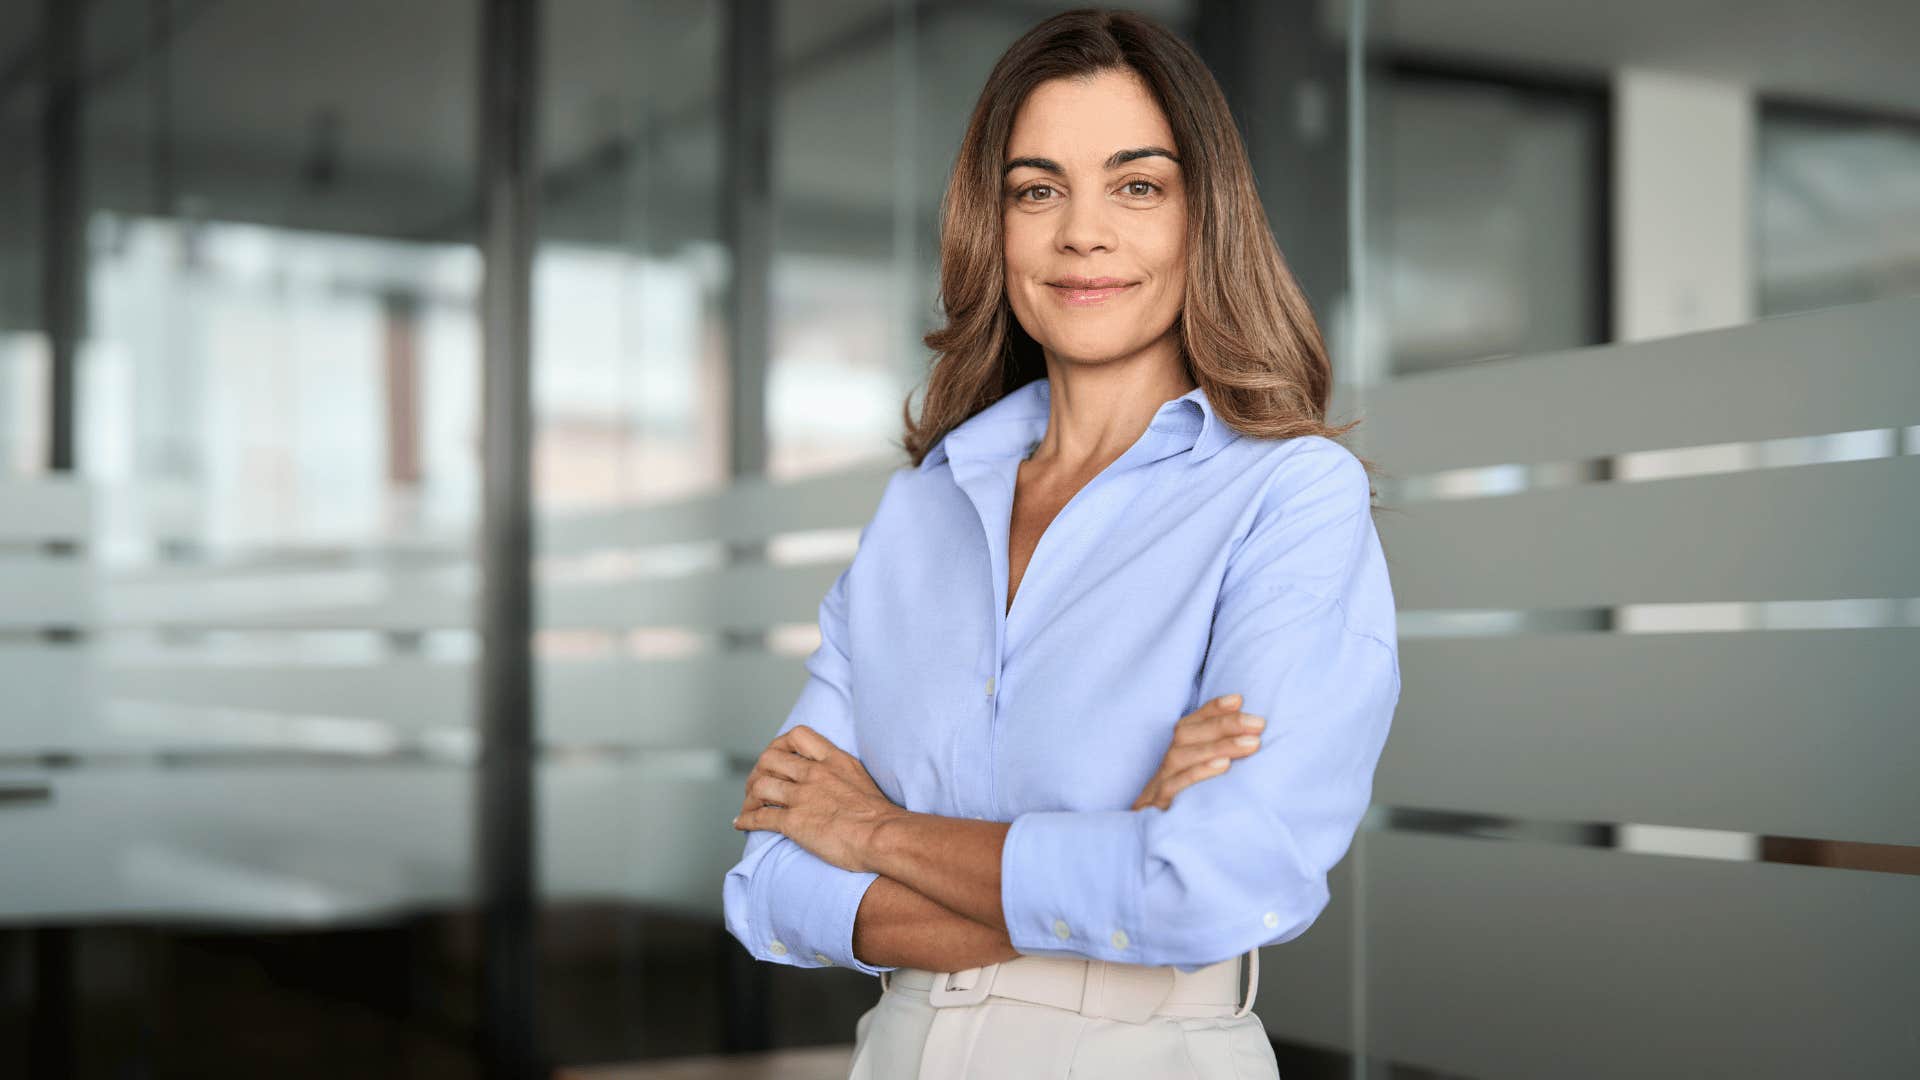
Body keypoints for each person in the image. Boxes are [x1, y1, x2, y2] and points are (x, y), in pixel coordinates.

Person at [721, 8, 1400, 1077]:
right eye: (1038, 189)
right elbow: (771, 885)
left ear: (1203, 217)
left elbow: (1210, 884)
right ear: (992, 226)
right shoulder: (921, 511)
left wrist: (877, 836)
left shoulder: (1289, 498)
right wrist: (1112, 839)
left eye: (1137, 185)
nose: (1083, 232)